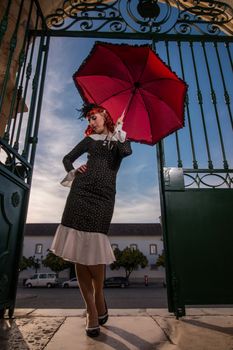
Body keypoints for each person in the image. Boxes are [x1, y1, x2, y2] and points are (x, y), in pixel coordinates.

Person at [50, 104, 132, 337]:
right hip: (80, 193)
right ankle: (91, 311)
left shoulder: (118, 138)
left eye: (93, 117)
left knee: (94, 250)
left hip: (104, 197)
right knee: (78, 251)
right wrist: (76, 170)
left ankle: (98, 296)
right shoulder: (89, 141)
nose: (91, 122)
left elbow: (126, 153)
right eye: (88, 119)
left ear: (105, 114)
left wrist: (118, 131)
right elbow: (67, 158)